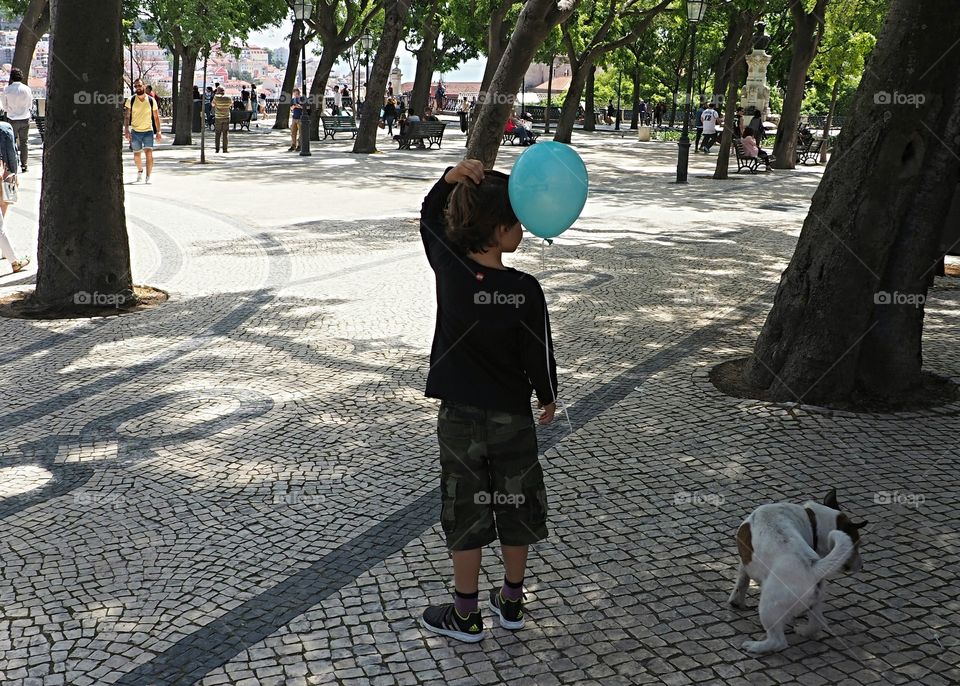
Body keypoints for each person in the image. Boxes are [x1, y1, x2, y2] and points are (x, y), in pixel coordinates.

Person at [417, 159, 557, 643]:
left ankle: (465, 614)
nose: (523, 229)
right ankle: (513, 602)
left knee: (466, 509)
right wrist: (548, 395)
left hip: (459, 416)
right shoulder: (523, 289)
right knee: (516, 504)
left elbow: (428, 218)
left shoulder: (450, 271)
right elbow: (538, 350)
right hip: (512, 417)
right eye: (516, 222)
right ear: (500, 231)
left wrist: (448, 179)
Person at [0, 120, 27, 274]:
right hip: (7, 173)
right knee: (3, 210)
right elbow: (12, 152)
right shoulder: (5, 127)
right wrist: (15, 174)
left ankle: (6, 251)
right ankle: (12, 258)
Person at [123, 78, 162, 184]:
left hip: (148, 131)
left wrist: (158, 131)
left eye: (139, 85)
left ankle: (148, 176)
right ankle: (140, 171)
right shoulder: (130, 100)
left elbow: (156, 116)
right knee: (137, 155)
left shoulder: (151, 100)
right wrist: (126, 130)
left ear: (144, 86)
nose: (137, 88)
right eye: (135, 86)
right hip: (135, 131)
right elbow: (127, 116)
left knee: (149, 153)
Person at [1, 67, 32, 173]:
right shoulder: (27, 89)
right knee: (24, 142)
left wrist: (10, 110)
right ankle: (25, 165)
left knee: (12, 142)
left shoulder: (7, 89)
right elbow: (30, 104)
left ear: (12, 78)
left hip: (12, 119)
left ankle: (14, 164)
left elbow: (4, 106)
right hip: (25, 118)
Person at [212, 86, 232, 153]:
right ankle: (225, 149)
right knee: (225, 134)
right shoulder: (229, 97)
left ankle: (217, 149)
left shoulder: (216, 97)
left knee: (217, 134)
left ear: (218, 91)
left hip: (218, 117)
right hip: (226, 116)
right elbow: (231, 105)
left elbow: (212, 105)